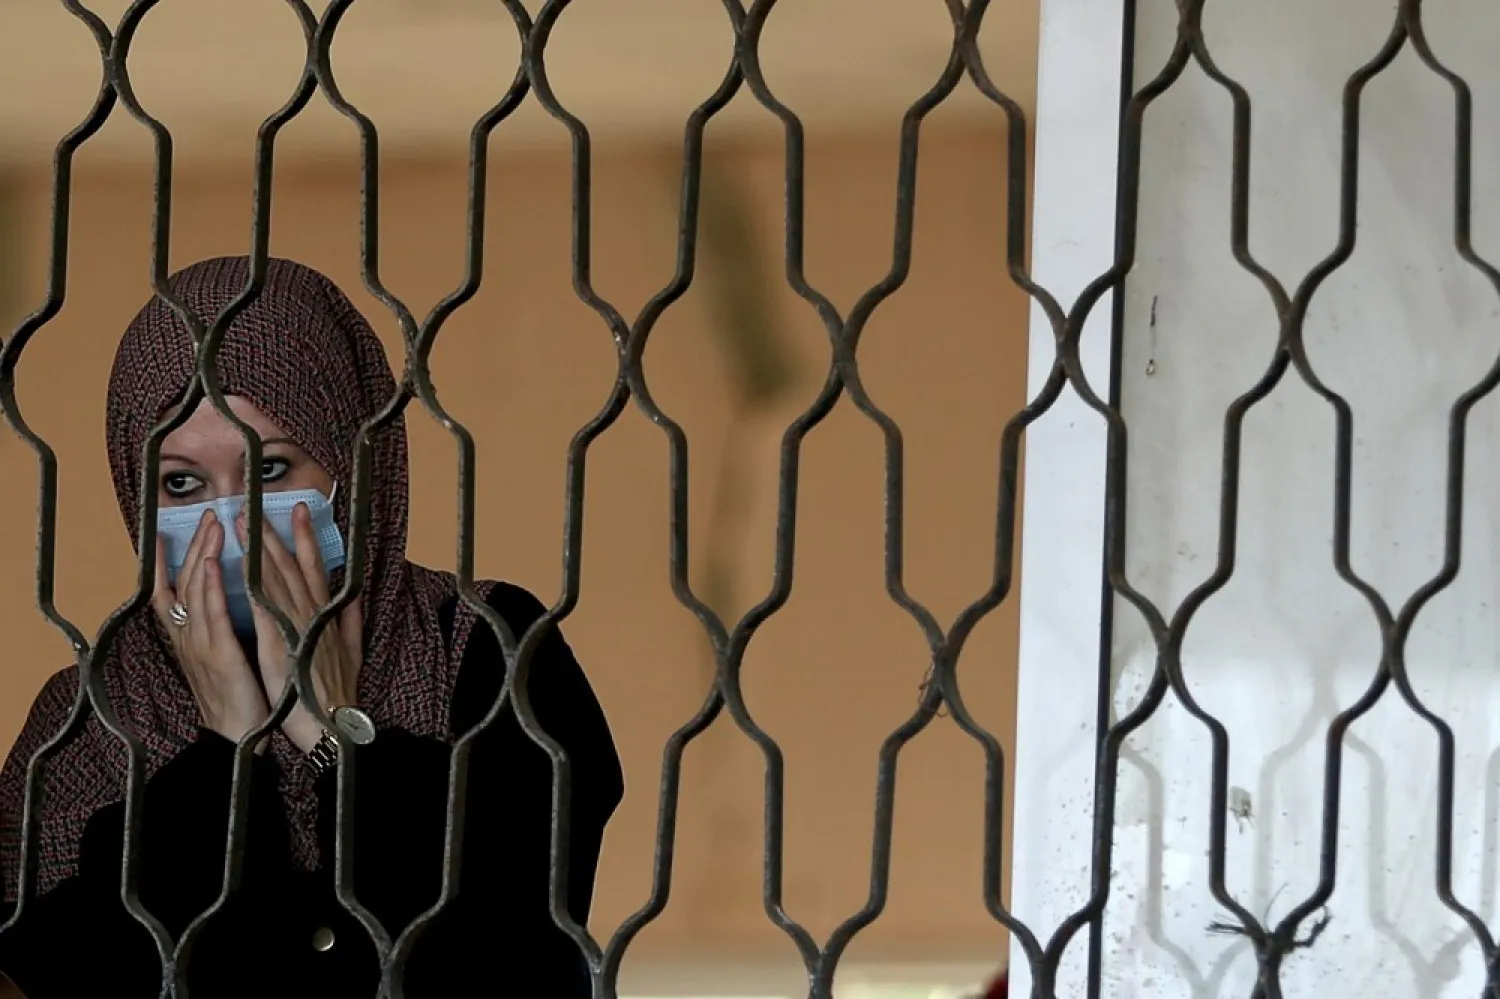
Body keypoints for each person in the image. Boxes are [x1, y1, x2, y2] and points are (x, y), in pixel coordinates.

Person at [0, 256, 624, 998]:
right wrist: (226, 753)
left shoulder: (487, 648)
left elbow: (520, 961)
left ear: (351, 465)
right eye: (182, 483)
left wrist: (331, 732)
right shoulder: (82, 727)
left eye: (271, 471)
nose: (228, 522)